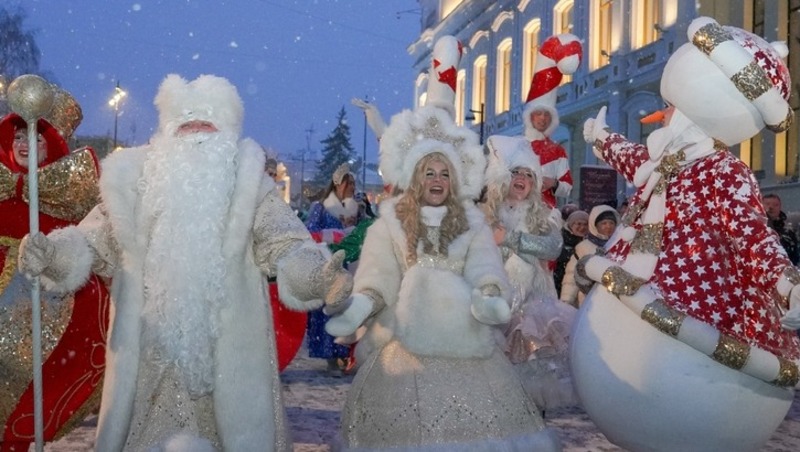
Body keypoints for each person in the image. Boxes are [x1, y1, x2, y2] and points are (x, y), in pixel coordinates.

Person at [18, 74, 352, 451]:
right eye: (185, 122)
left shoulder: (250, 188)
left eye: (206, 123)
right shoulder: (136, 182)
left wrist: (317, 275)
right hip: (148, 366)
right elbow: (90, 241)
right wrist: (53, 254)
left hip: (227, 365)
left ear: (227, 132)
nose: (195, 131)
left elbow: (286, 244)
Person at [572, 17, 800, 451]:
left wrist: (788, 285)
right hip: (636, 267)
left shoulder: (722, 169)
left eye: (672, 104)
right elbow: (636, 160)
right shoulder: (669, 161)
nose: (665, 113)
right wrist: (600, 138)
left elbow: (752, 237)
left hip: (698, 291)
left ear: (703, 100)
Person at [325, 35, 561, 451]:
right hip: (403, 341)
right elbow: (378, 277)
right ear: (416, 176)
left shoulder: (470, 221)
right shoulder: (391, 223)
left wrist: (489, 294)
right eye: (429, 172)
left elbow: (485, 266)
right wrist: (361, 304)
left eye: (444, 173)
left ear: (455, 179)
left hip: (465, 339)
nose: (437, 180)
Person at [0, 89, 109, 450]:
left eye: (34, 136)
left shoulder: (71, 197)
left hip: (41, 308)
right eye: (17, 135)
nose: (23, 144)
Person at [481, 134, 577, 412]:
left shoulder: (544, 214)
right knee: (496, 380)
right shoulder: (486, 214)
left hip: (532, 309)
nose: (522, 178)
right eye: (516, 173)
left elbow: (553, 248)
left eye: (529, 174)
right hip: (493, 305)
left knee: (531, 374)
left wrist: (512, 239)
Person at [304, 162, 362, 375]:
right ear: (339, 184)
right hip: (326, 265)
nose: (353, 188)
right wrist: (333, 236)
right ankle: (330, 354)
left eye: (355, 184)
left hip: (345, 265)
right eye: (350, 183)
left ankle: (343, 352)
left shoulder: (354, 209)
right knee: (328, 310)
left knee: (344, 308)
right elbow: (310, 233)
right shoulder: (321, 207)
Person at [521, 33, 582, 208]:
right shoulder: (514, 145)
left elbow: (567, 186)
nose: (542, 118)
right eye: (538, 114)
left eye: (547, 115)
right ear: (530, 117)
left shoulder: (557, 151)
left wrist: (554, 184)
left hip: (546, 216)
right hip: (516, 215)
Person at [560, 204, 619, 308]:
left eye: (611, 223)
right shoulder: (584, 247)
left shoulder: (620, 246)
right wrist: (566, 301)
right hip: (589, 301)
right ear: (595, 225)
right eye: (604, 223)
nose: (608, 226)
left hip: (614, 302)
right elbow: (571, 276)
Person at [553, 209, 588, 297]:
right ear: (571, 225)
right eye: (579, 224)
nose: (582, 227)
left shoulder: (590, 242)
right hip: (562, 286)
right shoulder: (561, 240)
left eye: (585, 224)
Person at [763, 193, 799, 265]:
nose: (771, 207)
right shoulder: (758, 229)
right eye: (767, 204)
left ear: (780, 207)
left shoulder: (789, 229)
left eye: (775, 205)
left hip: (790, 269)